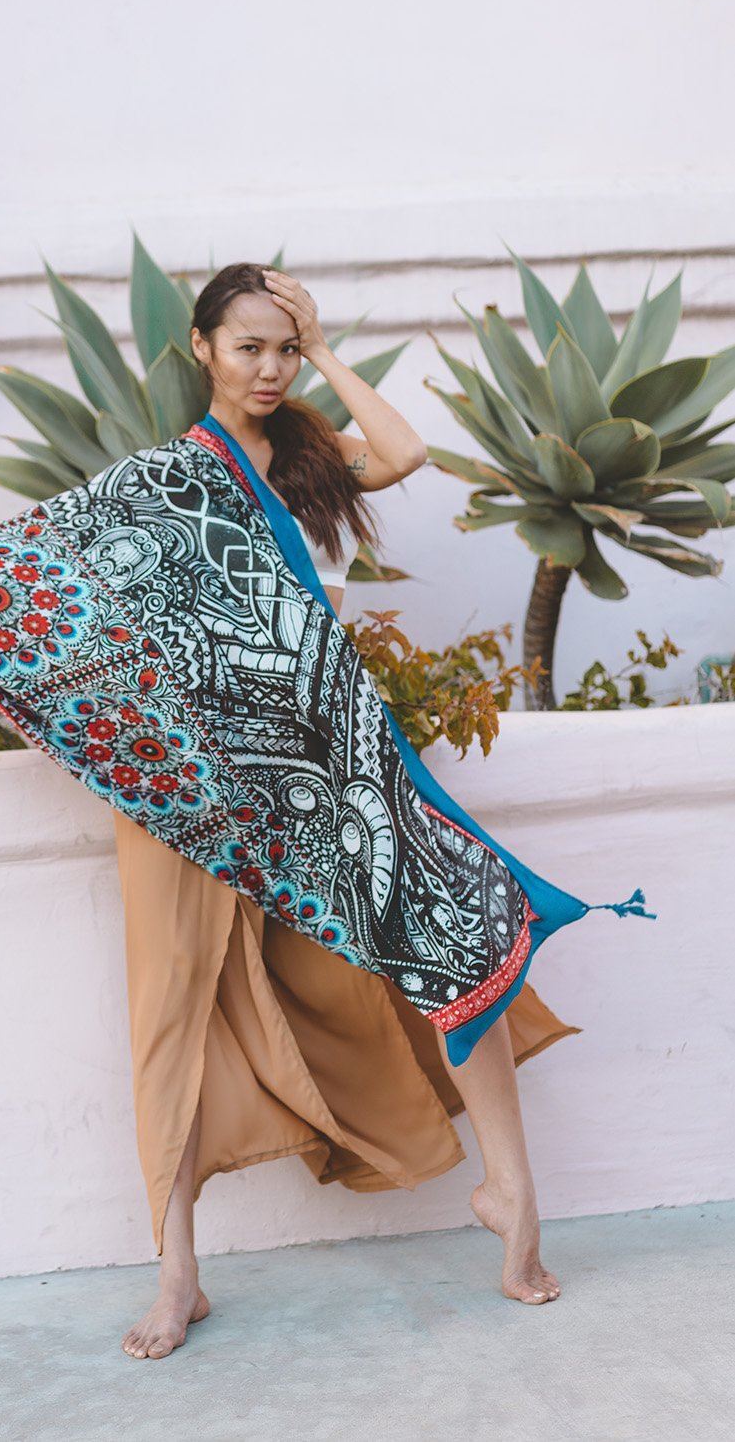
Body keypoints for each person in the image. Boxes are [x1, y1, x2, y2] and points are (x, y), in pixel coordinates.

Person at [115, 263, 571, 1362]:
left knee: (447, 921)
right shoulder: (159, 478)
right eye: (249, 348)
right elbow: (75, 603)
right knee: (175, 999)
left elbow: (405, 453)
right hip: (187, 775)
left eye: (285, 349)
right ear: (200, 348)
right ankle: (176, 1275)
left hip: (314, 757)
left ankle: (510, 1194)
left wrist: (324, 349)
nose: (269, 369)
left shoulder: (297, 456)